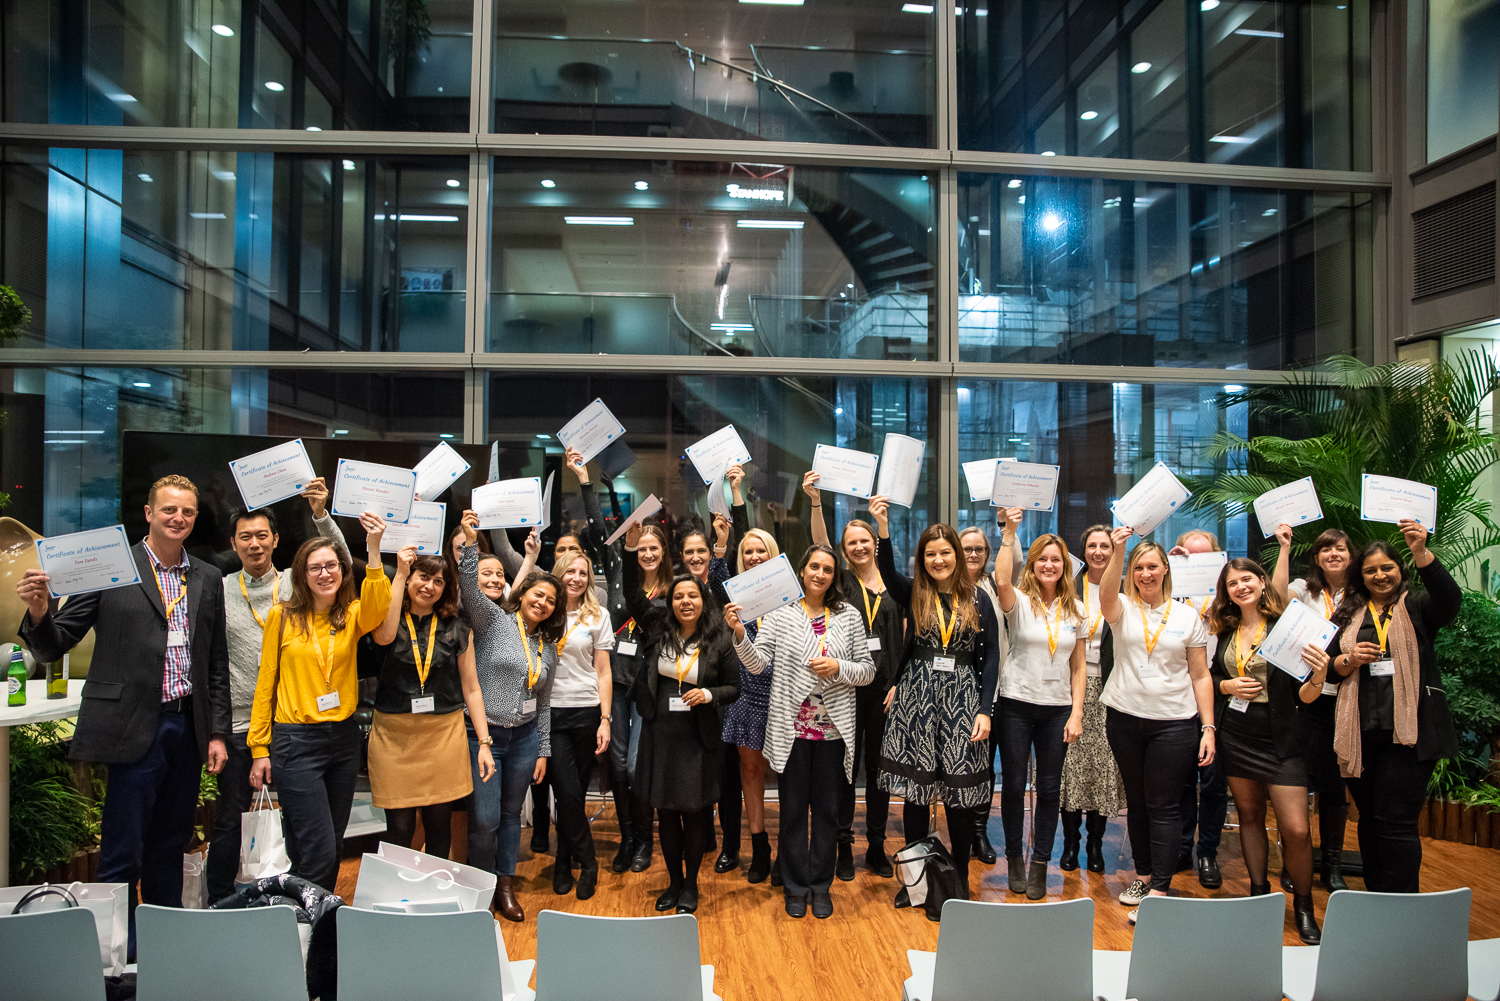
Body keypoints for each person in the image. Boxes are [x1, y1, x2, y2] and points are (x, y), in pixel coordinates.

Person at [17, 475, 231, 958]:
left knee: (169, 847)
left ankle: (163, 950)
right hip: (132, 726)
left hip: (186, 728)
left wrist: (216, 732)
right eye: (169, 510)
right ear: (149, 513)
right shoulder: (111, 568)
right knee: (121, 852)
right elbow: (56, 643)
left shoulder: (207, 577)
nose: (179, 519)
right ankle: (116, 960)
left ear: (196, 519)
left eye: (188, 512)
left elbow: (215, 662)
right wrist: (38, 612)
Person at [206, 479, 351, 904]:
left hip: (292, 720)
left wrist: (321, 514)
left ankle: (291, 902)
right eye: (245, 537)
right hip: (239, 723)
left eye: (262, 536)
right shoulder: (217, 587)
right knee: (233, 823)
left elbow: (338, 559)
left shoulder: (297, 582)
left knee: (301, 829)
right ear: (233, 542)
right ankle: (222, 903)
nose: (255, 544)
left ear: (275, 540)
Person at [726, 545, 874, 918]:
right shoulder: (780, 613)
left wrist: (837, 666)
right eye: (813, 567)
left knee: (826, 813)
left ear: (833, 575)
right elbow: (758, 665)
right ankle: (794, 886)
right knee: (792, 813)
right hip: (790, 731)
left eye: (827, 569)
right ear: (801, 570)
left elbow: (868, 671)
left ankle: (820, 886)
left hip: (833, 733)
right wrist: (741, 635)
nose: (820, 574)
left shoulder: (850, 616)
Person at [246, 510, 389, 893]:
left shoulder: (352, 616)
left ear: (342, 571)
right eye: (315, 568)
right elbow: (266, 683)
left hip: (342, 741)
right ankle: (317, 921)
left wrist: (373, 550)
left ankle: (301, 914)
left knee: (320, 842)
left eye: (332, 566)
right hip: (296, 741)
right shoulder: (283, 616)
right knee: (319, 847)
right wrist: (259, 747)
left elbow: (379, 607)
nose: (325, 574)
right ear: (301, 575)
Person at [873, 502, 999, 903]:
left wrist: (984, 709)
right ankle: (917, 883)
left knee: (960, 796)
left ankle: (957, 878)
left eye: (945, 552)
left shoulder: (978, 599)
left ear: (957, 557)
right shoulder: (915, 593)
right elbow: (889, 574)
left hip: (963, 700)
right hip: (916, 698)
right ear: (922, 559)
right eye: (930, 554)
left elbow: (992, 656)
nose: (939, 559)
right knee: (915, 793)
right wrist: (884, 527)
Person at [1325, 521, 1460, 893]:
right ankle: (1376, 904)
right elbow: (1328, 669)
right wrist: (1348, 659)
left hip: (1410, 734)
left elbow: (1450, 600)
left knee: (1396, 822)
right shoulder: (1348, 614)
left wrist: (1421, 551)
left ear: (1400, 570)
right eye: (1371, 570)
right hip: (1360, 733)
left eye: (1387, 567)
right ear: (1360, 576)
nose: (1380, 575)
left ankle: (1402, 909)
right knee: (1367, 821)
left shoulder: (1419, 606)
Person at [1207, 557, 1327, 943]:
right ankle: (1259, 897)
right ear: (1225, 592)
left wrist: (1320, 675)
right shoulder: (1226, 629)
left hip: (1281, 738)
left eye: (1247, 579)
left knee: (1295, 828)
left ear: (1262, 582)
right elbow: (1213, 676)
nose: (1240, 587)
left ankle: (1303, 907)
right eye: (1232, 583)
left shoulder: (1286, 629)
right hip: (1236, 733)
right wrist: (1226, 687)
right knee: (1249, 815)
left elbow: (1304, 696)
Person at [1097, 528, 1215, 920]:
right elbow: (1106, 593)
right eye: (1138, 568)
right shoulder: (1121, 609)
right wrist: (1119, 550)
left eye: (1152, 567)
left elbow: (1200, 676)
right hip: (1125, 718)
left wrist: (1209, 728)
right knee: (1137, 803)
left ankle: (1160, 890)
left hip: (1173, 724)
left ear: (1166, 569)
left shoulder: (1186, 617)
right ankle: (1144, 876)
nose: (1145, 574)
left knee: (1163, 806)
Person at [623, 523, 741, 915]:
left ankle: (691, 885)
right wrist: (628, 549)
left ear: (702, 600)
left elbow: (734, 687)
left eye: (693, 595)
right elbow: (632, 595)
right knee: (666, 815)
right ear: (670, 602)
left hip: (698, 737)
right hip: (661, 734)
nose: (685, 602)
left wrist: (708, 694)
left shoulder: (718, 638)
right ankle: (673, 882)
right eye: (679, 596)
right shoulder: (658, 629)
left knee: (694, 816)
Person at [458, 510, 565, 921]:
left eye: (550, 601)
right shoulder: (492, 622)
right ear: (522, 596)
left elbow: (544, 704)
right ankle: (480, 884)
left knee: (509, 817)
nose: (542, 602)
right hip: (482, 736)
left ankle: (504, 885)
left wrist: (542, 750)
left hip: (522, 740)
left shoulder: (548, 649)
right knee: (484, 817)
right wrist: (471, 543)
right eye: (537, 595)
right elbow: (470, 589)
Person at [807, 474, 904, 879]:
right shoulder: (841, 582)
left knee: (880, 771)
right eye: (852, 543)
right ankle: (843, 844)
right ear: (844, 552)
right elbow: (821, 544)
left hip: (885, 692)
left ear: (874, 544)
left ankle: (877, 846)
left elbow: (907, 640)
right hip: (846, 688)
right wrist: (815, 502)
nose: (859, 546)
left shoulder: (897, 584)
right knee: (846, 770)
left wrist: (899, 683)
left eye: (865, 540)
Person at [368, 548, 488, 860]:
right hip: (393, 737)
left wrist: (485, 742)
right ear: (409, 579)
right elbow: (383, 637)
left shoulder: (457, 626)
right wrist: (399, 573)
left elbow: (472, 688)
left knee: (439, 825)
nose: (429, 586)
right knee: (400, 828)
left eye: (438, 580)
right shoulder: (388, 617)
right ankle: (394, 899)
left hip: (443, 735)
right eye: (423, 577)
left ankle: (432, 898)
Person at [992, 509, 1087, 899]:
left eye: (1056, 560)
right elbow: (1000, 577)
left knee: (1049, 789)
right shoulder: (1019, 600)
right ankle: (1014, 858)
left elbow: (1079, 667)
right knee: (1014, 785)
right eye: (1042, 559)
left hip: (1057, 709)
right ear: (1032, 565)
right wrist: (1009, 534)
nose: (1049, 565)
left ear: (1064, 566)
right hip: (1015, 703)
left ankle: (1040, 864)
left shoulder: (1077, 610)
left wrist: (1077, 712)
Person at [1272, 524, 1354, 890]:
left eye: (1340, 549)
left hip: (1349, 697)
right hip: (1308, 697)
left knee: (1336, 785)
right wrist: (1284, 549)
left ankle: (1332, 863)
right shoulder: (1305, 590)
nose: (1333, 554)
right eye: (1326, 549)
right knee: (1302, 782)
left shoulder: (1361, 592)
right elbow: (1275, 600)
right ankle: (1296, 861)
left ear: (1351, 555)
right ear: (1317, 557)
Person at [715, 471, 783, 881]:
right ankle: (759, 847)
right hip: (748, 695)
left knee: (792, 775)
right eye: (748, 552)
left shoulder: (788, 591)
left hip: (787, 693)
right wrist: (723, 539)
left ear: (772, 554)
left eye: (761, 551)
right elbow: (715, 574)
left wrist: (739, 493)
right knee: (751, 772)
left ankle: (790, 846)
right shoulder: (735, 589)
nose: (754, 557)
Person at [544, 536, 614, 901]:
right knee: (566, 792)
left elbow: (603, 671)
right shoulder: (543, 610)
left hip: (587, 711)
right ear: (558, 574)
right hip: (551, 712)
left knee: (576, 791)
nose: (576, 578)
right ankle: (587, 862)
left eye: (583, 572)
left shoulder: (597, 615)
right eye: (570, 571)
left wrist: (606, 719)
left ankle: (562, 859)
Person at [1059, 524, 1125, 875]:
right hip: (1072, 686)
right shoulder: (1070, 587)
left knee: (1102, 768)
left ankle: (1095, 844)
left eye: (1105, 546)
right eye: (1092, 546)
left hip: (1113, 688)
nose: (1098, 552)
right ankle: (1070, 843)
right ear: (1083, 551)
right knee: (1070, 768)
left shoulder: (1125, 589)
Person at [1168, 527, 1228, 889]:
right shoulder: (1171, 597)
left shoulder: (1227, 600)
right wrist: (1174, 571)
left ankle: (1208, 851)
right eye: (1188, 556)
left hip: (1218, 701)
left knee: (1214, 783)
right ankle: (1181, 847)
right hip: (1178, 701)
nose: (1196, 562)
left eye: (1203, 556)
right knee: (1181, 783)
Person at [958, 525, 1003, 867]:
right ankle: (962, 830)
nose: (973, 554)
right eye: (967, 548)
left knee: (985, 766)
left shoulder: (996, 587)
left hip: (994, 690)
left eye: (979, 549)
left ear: (988, 554)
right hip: (956, 692)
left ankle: (979, 830)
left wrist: (1009, 526)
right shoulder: (943, 587)